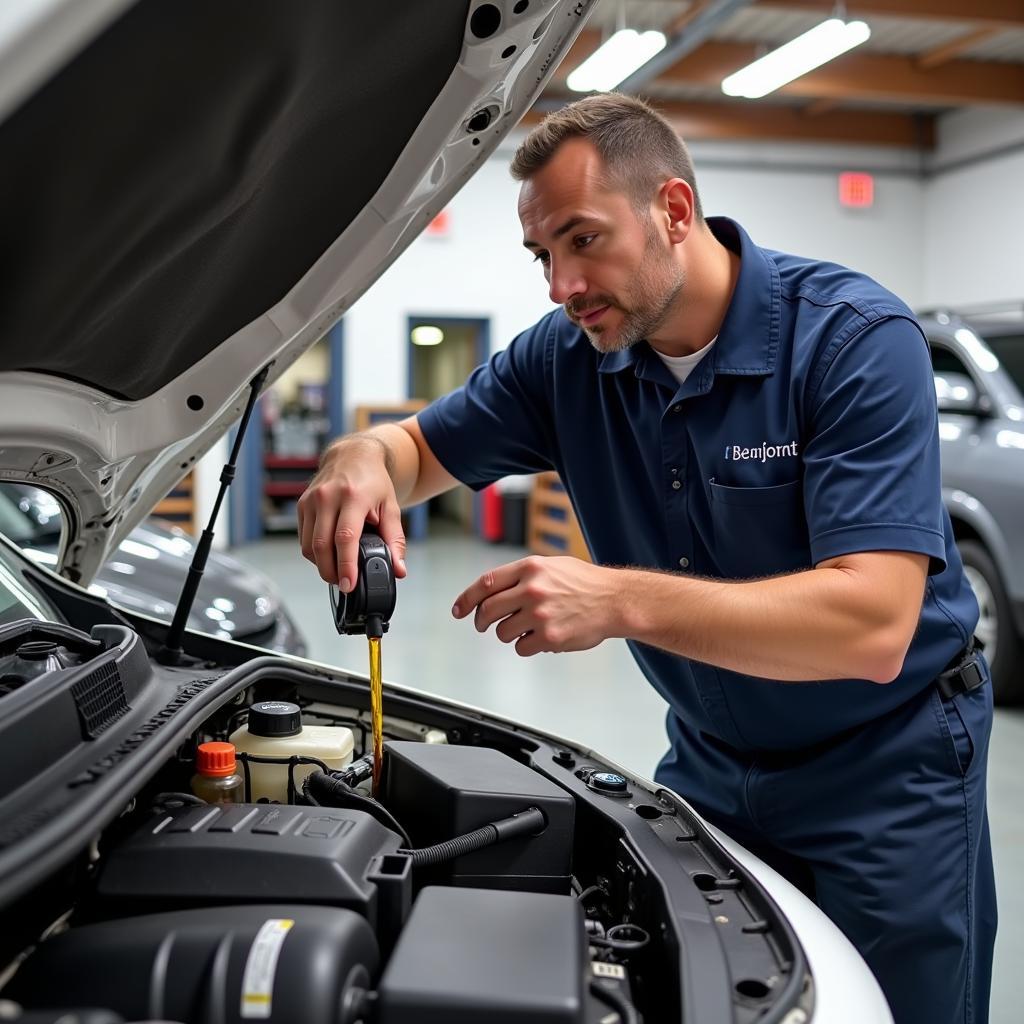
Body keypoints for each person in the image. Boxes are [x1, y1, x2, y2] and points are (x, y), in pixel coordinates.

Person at [297, 93, 995, 1024]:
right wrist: (361, 455)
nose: (561, 284)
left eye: (584, 240)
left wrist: (620, 599)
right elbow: (417, 453)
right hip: (711, 763)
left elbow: (871, 625)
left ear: (672, 209)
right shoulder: (566, 360)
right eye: (544, 255)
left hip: (886, 765)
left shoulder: (852, 342)